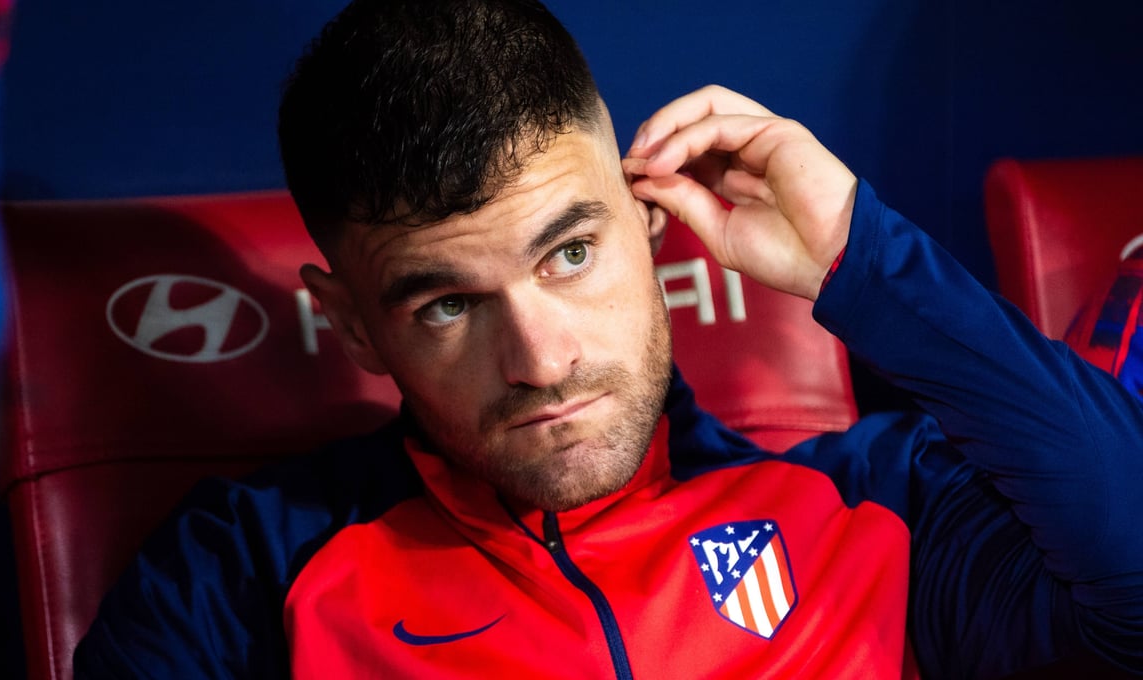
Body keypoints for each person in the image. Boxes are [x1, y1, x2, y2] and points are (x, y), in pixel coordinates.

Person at [74, 0, 1143, 677]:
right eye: (447, 305)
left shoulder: (871, 506)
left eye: (570, 253)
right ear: (353, 322)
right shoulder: (243, 571)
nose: (541, 361)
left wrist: (865, 257)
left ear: (648, 218)